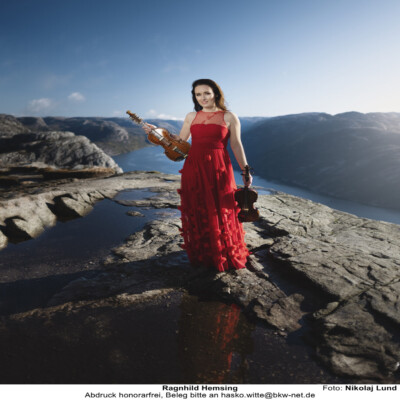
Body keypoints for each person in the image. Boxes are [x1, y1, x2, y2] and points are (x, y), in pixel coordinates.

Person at [143, 78, 253, 271]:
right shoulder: (191, 116)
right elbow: (181, 140)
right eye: (198, 94)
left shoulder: (229, 116)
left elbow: (236, 144)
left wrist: (245, 170)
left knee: (221, 208)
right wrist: (157, 133)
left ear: (215, 94)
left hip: (219, 167)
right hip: (194, 166)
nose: (203, 97)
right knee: (199, 208)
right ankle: (205, 254)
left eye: (206, 93)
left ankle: (224, 253)